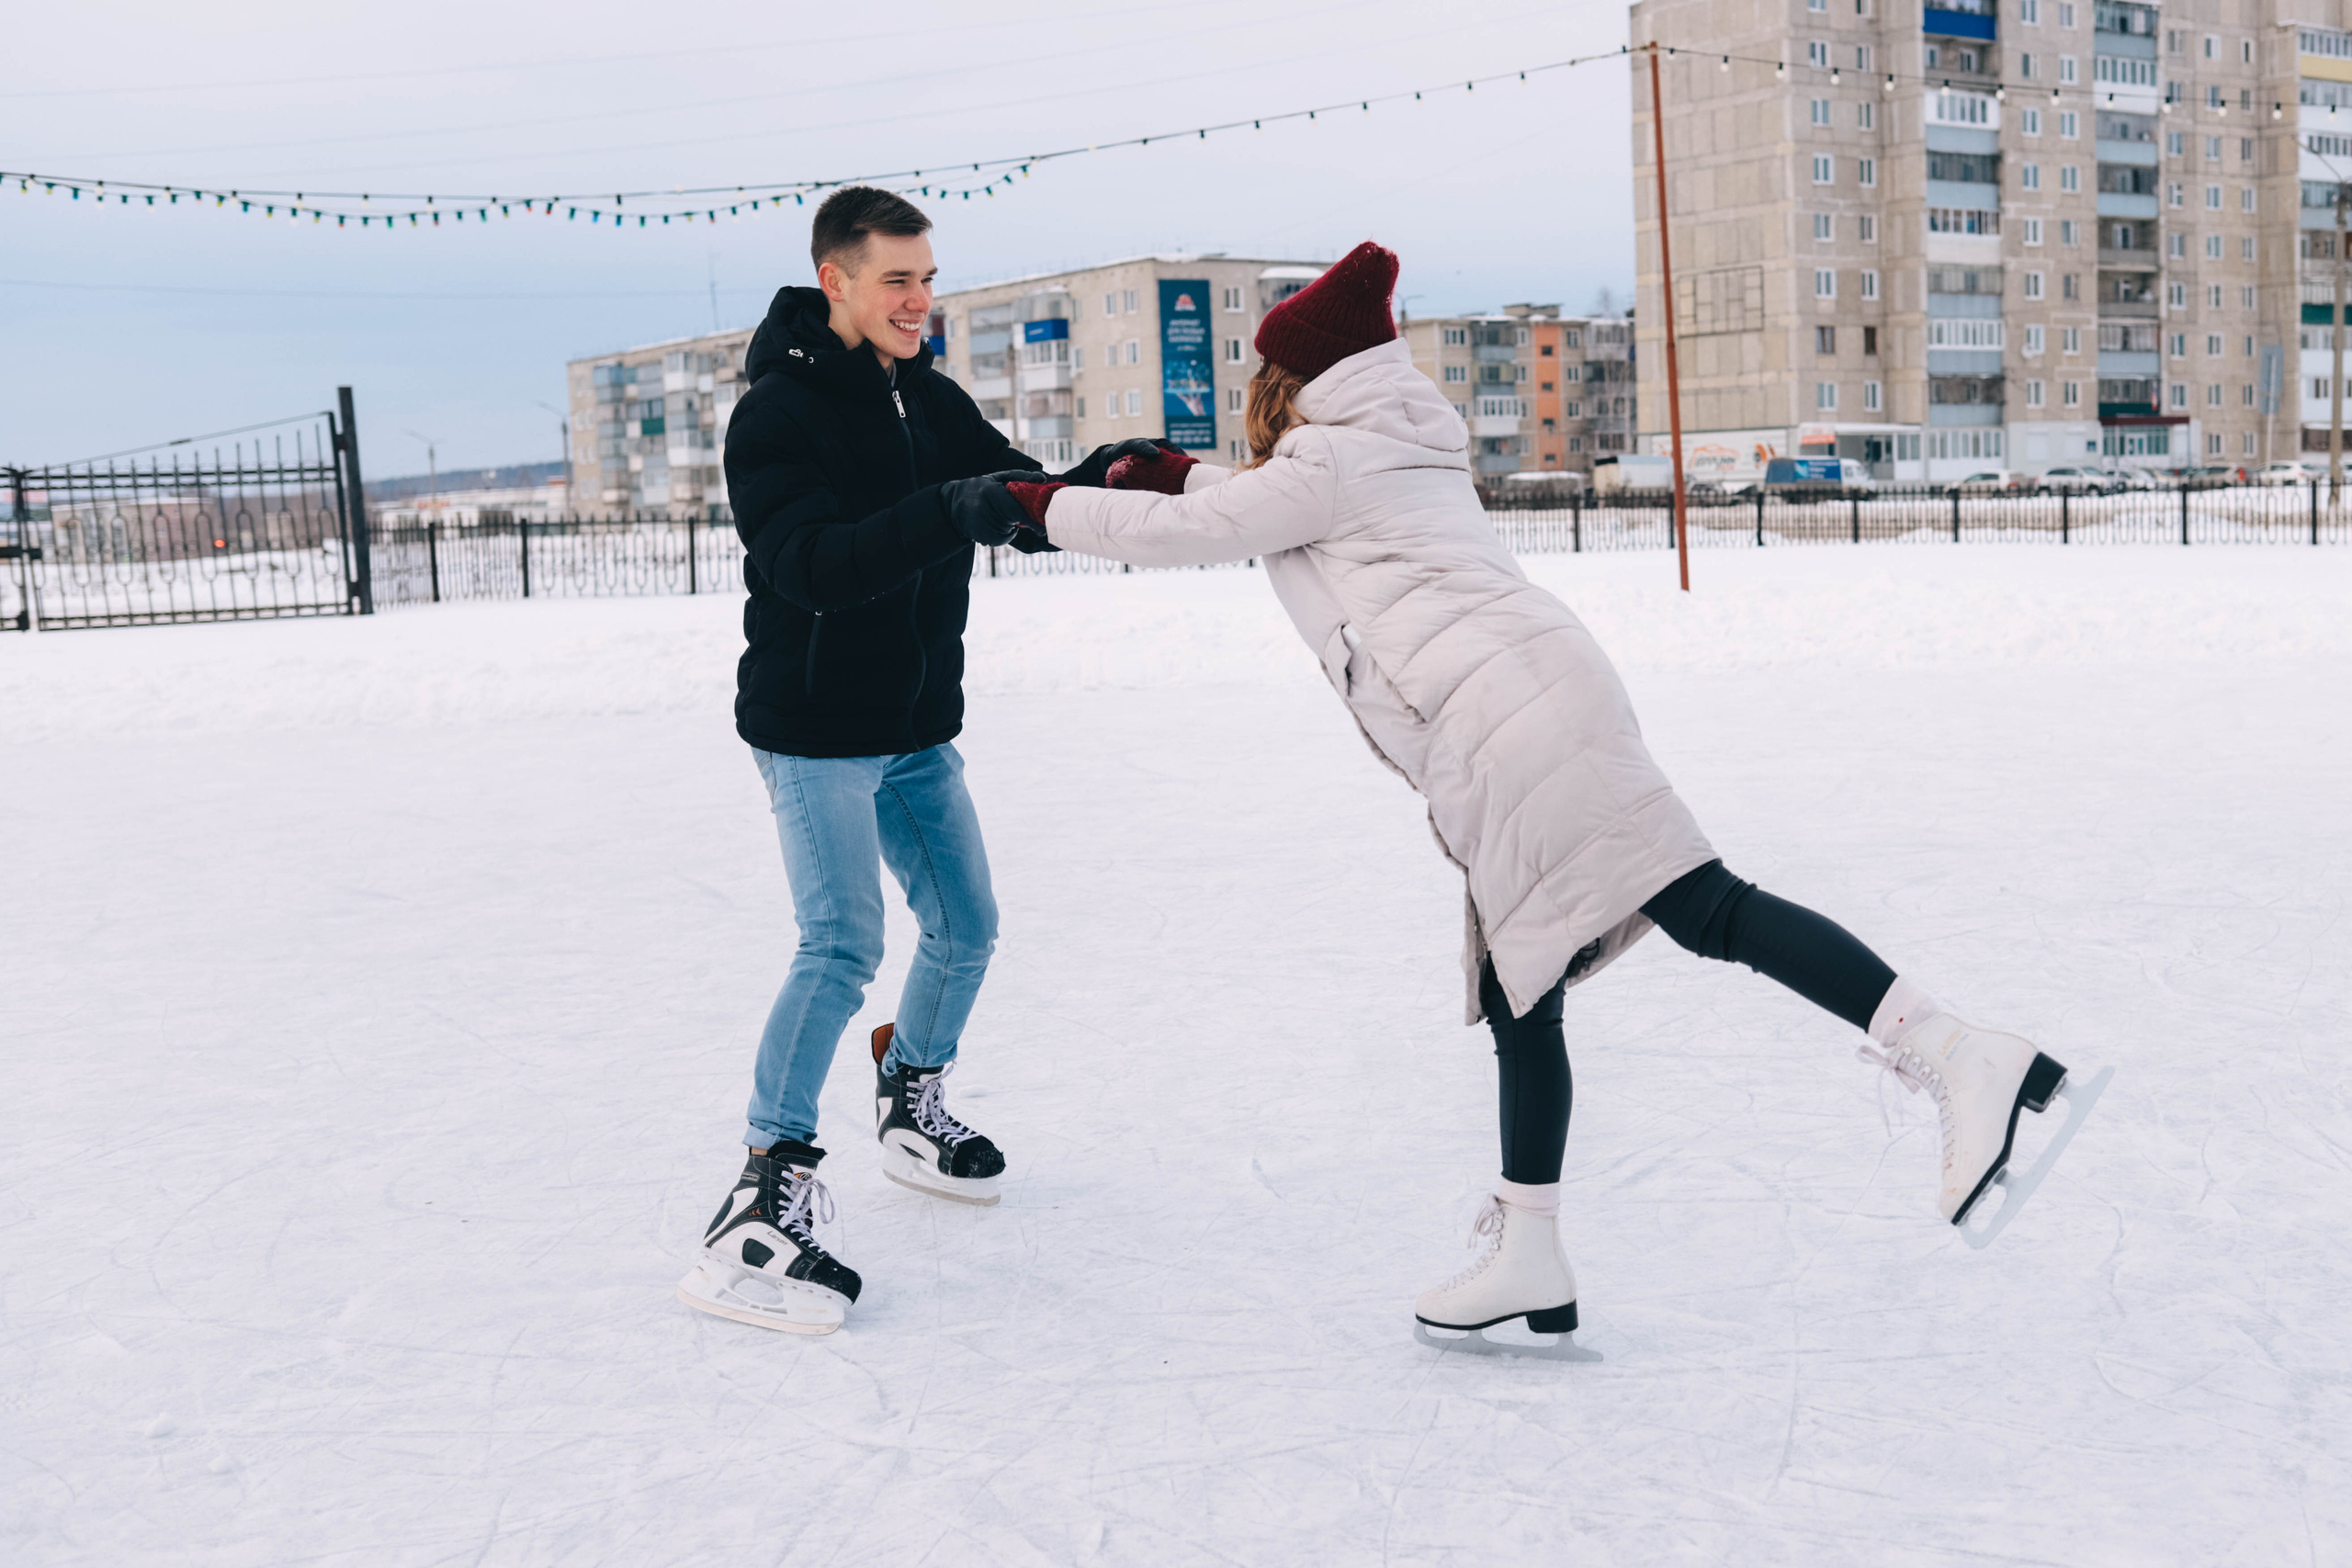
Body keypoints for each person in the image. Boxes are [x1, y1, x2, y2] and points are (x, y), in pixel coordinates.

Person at [995, 242, 2090, 1349]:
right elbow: (1249, 505)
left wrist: (1039, 505)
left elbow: (1203, 530)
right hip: (1532, 692)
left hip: (1505, 719)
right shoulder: (1391, 442)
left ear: (1298, 378)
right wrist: (1177, 472)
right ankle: (1528, 1247)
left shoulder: (1325, 458)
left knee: (1701, 907)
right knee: (1526, 977)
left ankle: (1955, 1049)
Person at [679, 186, 1164, 1336]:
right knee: (842, 943)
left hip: (914, 728)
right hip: (815, 731)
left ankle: (911, 1097)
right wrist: (949, 511)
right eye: (897, 280)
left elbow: (1011, 498)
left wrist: (1108, 476)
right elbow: (808, 566)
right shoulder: (775, 414)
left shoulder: (927, 398)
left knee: (965, 925)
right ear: (836, 280)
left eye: (928, 279)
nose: (919, 301)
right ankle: (761, 1190)